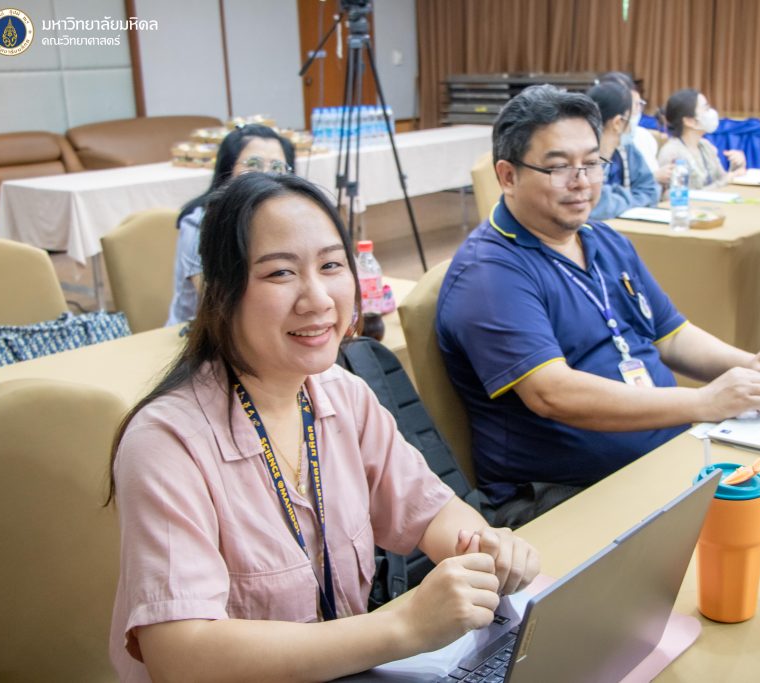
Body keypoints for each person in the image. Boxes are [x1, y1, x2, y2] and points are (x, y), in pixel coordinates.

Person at [109, 172, 540, 681]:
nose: (317, 299)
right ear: (221, 292)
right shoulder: (167, 443)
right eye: (280, 273)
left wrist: (490, 549)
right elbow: (179, 655)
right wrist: (403, 627)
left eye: (332, 265)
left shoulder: (341, 394)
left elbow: (430, 513)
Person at [436, 84, 760, 527]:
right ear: (508, 176)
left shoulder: (603, 239)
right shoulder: (490, 272)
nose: (582, 182)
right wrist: (702, 402)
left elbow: (672, 336)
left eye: (592, 163)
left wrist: (753, 364)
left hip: (665, 456)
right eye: (559, 167)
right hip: (567, 495)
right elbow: (553, 393)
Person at [166, 124, 295, 326]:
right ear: (228, 168)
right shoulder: (199, 223)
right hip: (201, 330)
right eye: (253, 163)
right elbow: (217, 301)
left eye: (278, 166)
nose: (266, 174)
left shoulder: (290, 218)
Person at [584, 81, 661, 220]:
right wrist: (627, 198)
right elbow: (595, 206)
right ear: (617, 123)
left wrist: (615, 198)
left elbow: (651, 191)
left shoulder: (627, 150)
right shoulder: (579, 155)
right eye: (631, 115)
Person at [656, 88, 746, 193]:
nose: (711, 113)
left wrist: (736, 166)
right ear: (689, 121)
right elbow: (677, 195)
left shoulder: (705, 146)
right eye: (705, 108)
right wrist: (727, 179)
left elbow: (721, 179)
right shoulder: (672, 153)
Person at [597, 71, 674, 185]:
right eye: (632, 105)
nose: (635, 111)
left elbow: (649, 189)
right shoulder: (591, 149)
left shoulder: (642, 138)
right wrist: (653, 178)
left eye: (639, 104)